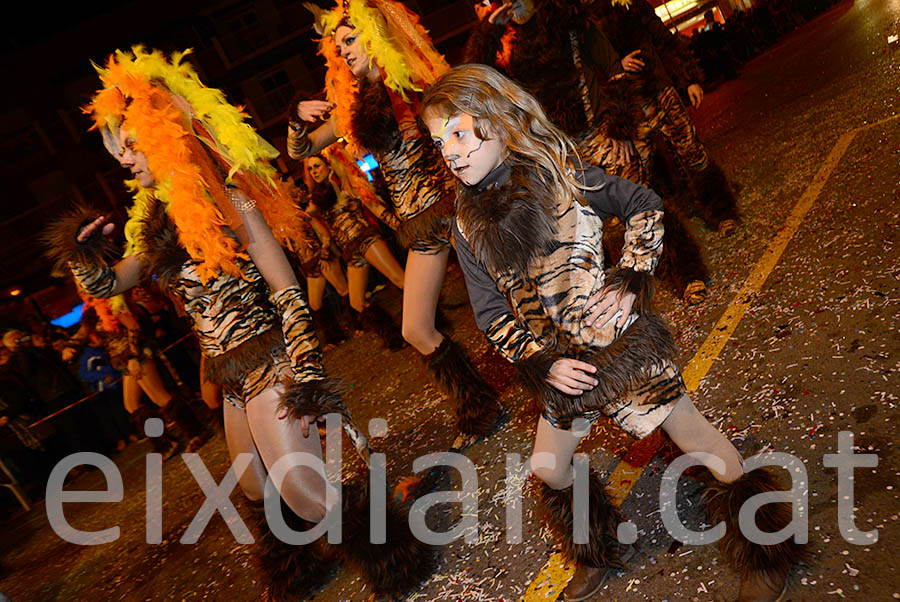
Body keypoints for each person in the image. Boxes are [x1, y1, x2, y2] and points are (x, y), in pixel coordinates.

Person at [44, 47, 430, 600]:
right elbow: (112, 283)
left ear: (162, 136)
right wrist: (87, 254)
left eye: (130, 147)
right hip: (228, 370)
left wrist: (306, 371)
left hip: (269, 354)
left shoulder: (224, 198)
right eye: (119, 154)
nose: (125, 162)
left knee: (300, 490)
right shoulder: (153, 223)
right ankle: (301, 569)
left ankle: (393, 555)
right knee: (254, 485)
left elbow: (285, 286)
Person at [420, 64, 806, 602]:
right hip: (563, 369)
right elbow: (489, 313)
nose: (451, 150)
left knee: (694, 436)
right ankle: (599, 548)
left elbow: (643, 205)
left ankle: (768, 552)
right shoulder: (465, 222)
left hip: (619, 347)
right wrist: (540, 361)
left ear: (498, 120)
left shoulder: (560, 171)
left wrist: (630, 279)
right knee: (549, 468)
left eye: (459, 132)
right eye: (440, 143)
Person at [287, 0, 504, 450]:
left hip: (455, 207)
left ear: (372, 35)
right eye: (338, 46)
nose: (344, 51)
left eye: (350, 40)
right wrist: (295, 118)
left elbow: (461, 100)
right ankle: (478, 405)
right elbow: (302, 151)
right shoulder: (350, 109)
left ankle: (572, 366)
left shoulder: (407, 75)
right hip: (419, 225)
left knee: (511, 299)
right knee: (415, 329)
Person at [464, 0, 710, 305]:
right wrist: (487, 32)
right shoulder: (504, 45)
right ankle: (609, 301)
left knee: (641, 203)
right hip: (557, 153)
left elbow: (614, 69)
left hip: (600, 136)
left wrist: (620, 126)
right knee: (581, 232)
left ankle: (686, 273)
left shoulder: (568, 19)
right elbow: (474, 85)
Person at [592, 0, 742, 237]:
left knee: (693, 152)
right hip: (629, 105)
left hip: (661, 92)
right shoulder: (591, 15)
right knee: (636, 178)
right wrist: (615, 66)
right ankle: (659, 241)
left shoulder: (636, 5)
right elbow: (590, 68)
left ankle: (722, 213)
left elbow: (664, 41)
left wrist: (688, 79)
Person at [302, 144, 406, 350]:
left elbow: (373, 205)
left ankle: (428, 316)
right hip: (351, 252)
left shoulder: (345, 186)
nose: (314, 172)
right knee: (356, 302)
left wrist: (398, 225)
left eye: (317, 166)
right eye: (311, 169)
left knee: (399, 278)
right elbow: (304, 216)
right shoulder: (319, 199)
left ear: (328, 166)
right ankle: (394, 336)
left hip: (365, 238)